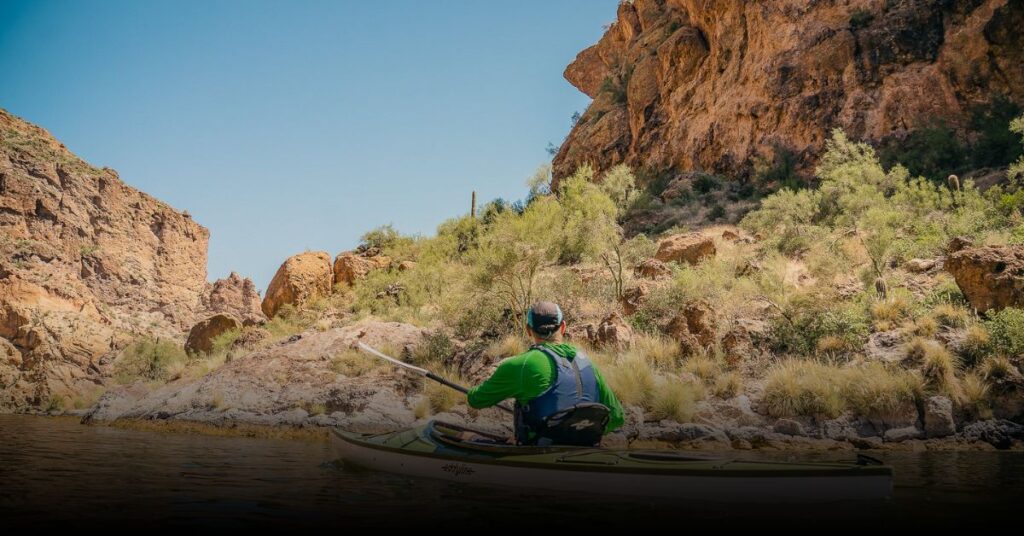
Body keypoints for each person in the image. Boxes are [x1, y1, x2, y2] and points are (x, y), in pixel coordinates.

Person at [467, 301, 624, 446]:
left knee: (465, 436)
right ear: (563, 327)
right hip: (585, 448)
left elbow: (476, 400)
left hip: (537, 451)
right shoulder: (587, 362)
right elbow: (617, 417)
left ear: (529, 330)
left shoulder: (522, 364)